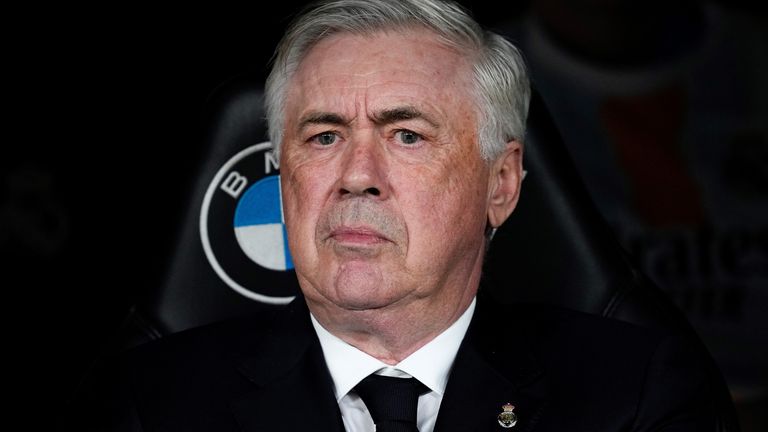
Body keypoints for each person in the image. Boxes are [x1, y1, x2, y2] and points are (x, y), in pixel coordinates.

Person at [61, 0, 728, 430]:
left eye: (406, 135)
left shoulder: (639, 396)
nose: (356, 175)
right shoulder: (146, 406)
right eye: (324, 136)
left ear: (500, 185)